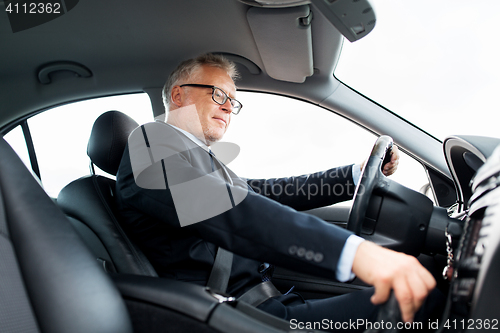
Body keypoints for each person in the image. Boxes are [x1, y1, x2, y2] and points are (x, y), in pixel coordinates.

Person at [115, 53, 438, 330]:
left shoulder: (194, 157)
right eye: (218, 94)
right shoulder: (150, 144)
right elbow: (229, 209)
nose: (229, 108)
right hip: (235, 315)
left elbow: (266, 192)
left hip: (265, 301)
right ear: (178, 95)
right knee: (427, 299)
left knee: (424, 288)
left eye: (233, 100)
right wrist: (355, 252)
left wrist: (353, 175)